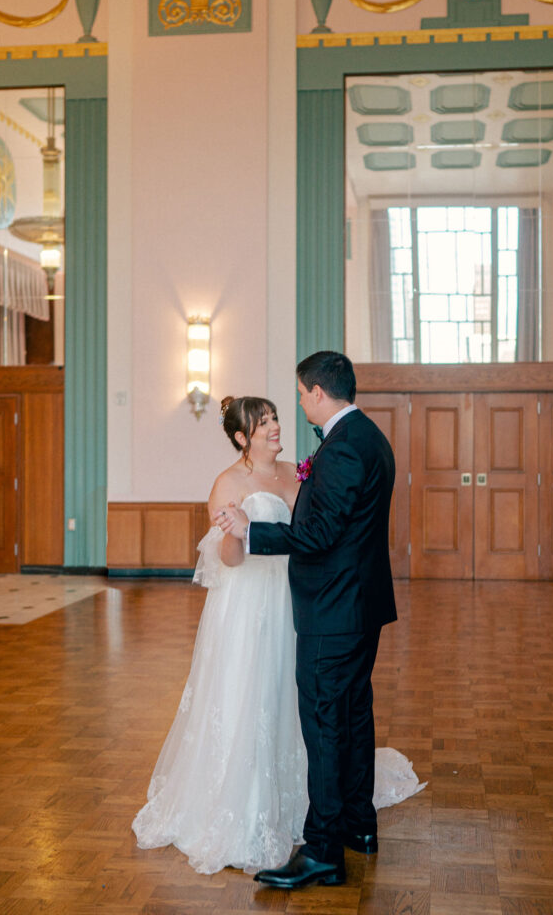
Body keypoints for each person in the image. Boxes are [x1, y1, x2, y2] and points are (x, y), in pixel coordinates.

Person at [132, 392, 422, 876]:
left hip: (299, 599)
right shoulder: (228, 481)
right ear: (242, 438)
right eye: (263, 423)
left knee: (304, 700)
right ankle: (253, 802)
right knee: (256, 697)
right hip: (249, 608)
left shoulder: (297, 471)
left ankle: (318, 805)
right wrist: (232, 531)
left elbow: (316, 531)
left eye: (274, 418)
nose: (274, 427)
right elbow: (228, 560)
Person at [217, 352, 399, 889]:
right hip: (359, 605)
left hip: (333, 611)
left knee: (323, 723)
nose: (297, 405)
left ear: (319, 393)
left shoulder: (342, 449)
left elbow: (319, 535)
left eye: (300, 395)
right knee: (353, 715)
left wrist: (254, 533)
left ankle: (322, 850)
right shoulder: (369, 438)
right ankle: (357, 827)